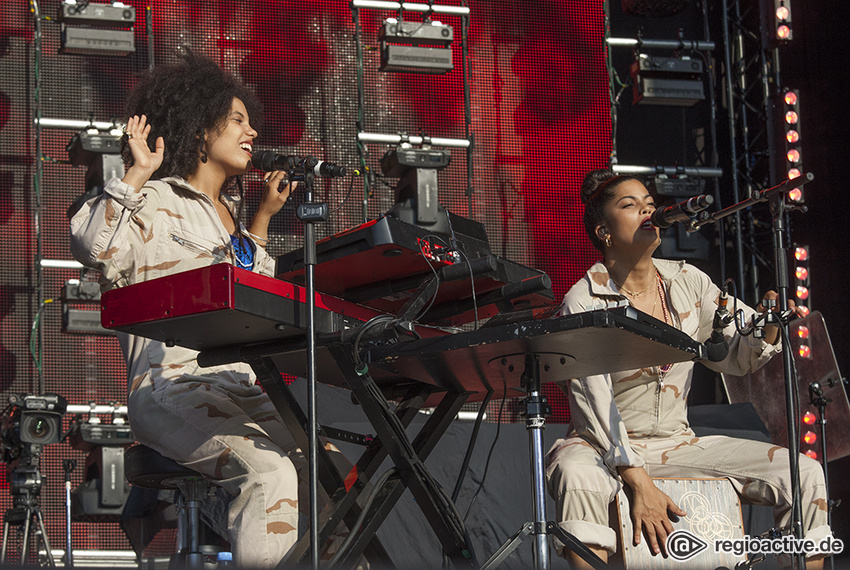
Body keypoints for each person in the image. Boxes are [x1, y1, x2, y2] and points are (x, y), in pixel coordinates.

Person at [70, 51, 302, 568]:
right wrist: (135, 173)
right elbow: (93, 245)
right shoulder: (154, 197)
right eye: (238, 120)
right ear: (200, 129)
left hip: (247, 386)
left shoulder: (234, 221)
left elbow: (256, 297)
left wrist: (261, 221)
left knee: (335, 473)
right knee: (270, 475)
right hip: (173, 386)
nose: (252, 133)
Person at [545, 169, 832, 569]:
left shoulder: (688, 281)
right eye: (629, 206)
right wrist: (639, 482)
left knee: (803, 473)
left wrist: (766, 326)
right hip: (601, 443)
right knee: (577, 474)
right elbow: (592, 403)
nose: (647, 211)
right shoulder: (583, 300)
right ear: (604, 233)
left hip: (677, 442)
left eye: (650, 203)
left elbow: (736, 354)